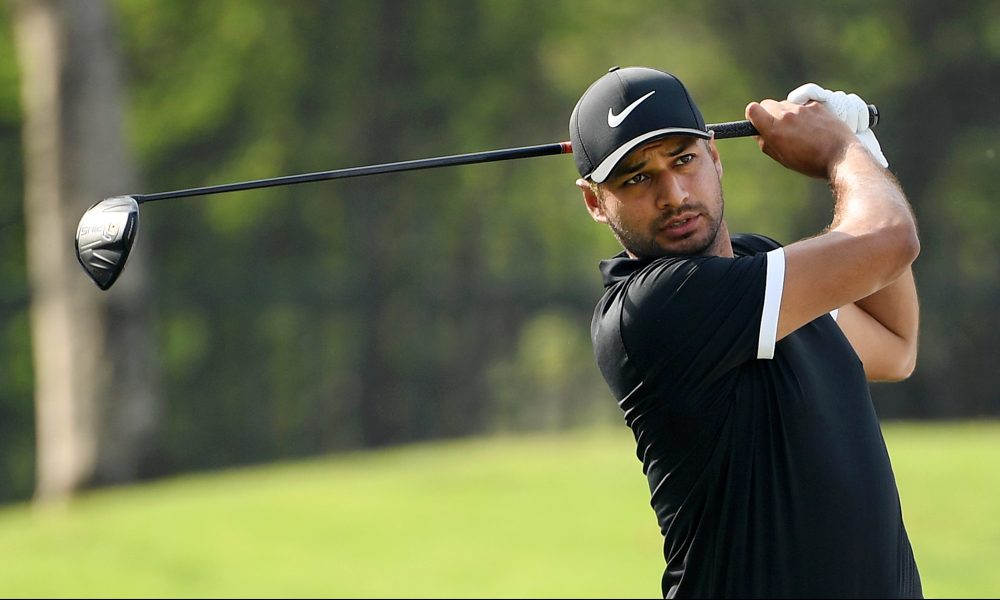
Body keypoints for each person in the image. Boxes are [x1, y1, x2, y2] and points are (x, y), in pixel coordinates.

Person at [570, 66, 921, 598]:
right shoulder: (653, 307)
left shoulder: (761, 265)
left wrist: (862, 155)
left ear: (714, 156)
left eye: (683, 159)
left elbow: (894, 344)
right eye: (636, 178)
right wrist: (841, 151)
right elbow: (890, 239)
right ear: (596, 201)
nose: (673, 194)